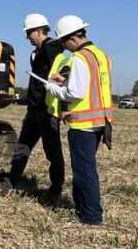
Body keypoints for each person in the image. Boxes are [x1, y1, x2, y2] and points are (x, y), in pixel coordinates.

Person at [44, 15, 113, 226]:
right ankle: (82, 208)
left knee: (84, 171)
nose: (64, 46)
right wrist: (65, 79)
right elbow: (91, 85)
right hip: (101, 121)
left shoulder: (79, 58)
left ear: (72, 38)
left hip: (83, 124)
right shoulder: (100, 55)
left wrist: (53, 87)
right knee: (86, 168)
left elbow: (75, 93)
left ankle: (91, 216)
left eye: (64, 42)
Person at [0, 14, 67, 197]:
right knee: (21, 149)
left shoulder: (52, 48)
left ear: (38, 31)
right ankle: (9, 184)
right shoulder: (36, 53)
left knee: (52, 153)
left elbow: (61, 62)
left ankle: (56, 189)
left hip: (47, 111)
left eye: (28, 33)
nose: (27, 37)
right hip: (33, 111)